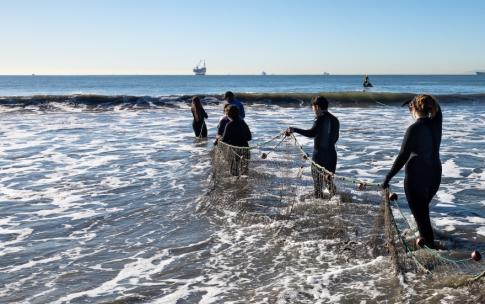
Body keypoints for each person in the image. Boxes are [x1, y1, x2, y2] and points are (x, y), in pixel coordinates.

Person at [382, 94, 442, 249]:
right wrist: (417, 99)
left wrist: (387, 178)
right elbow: (438, 107)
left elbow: (402, 156)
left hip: (417, 177)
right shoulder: (436, 123)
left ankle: (430, 258)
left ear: (414, 108)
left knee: (422, 219)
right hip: (435, 175)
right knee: (422, 215)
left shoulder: (413, 129)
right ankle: (428, 243)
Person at [287, 96, 340, 198]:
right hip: (332, 156)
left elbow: (312, 133)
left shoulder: (319, 119)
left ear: (316, 107)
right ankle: (336, 201)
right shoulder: (335, 120)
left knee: (318, 187)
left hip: (319, 156)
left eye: (313, 107)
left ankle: (318, 210)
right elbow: (335, 138)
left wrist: (294, 129)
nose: (312, 110)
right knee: (328, 180)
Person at [221, 105, 252, 176]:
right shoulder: (243, 123)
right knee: (244, 172)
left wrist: (219, 138)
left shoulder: (229, 125)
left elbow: (224, 140)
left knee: (234, 172)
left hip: (235, 151)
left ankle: (235, 186)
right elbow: (249, 137)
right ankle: (244, 186)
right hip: (245, 149)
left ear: (228, 114)